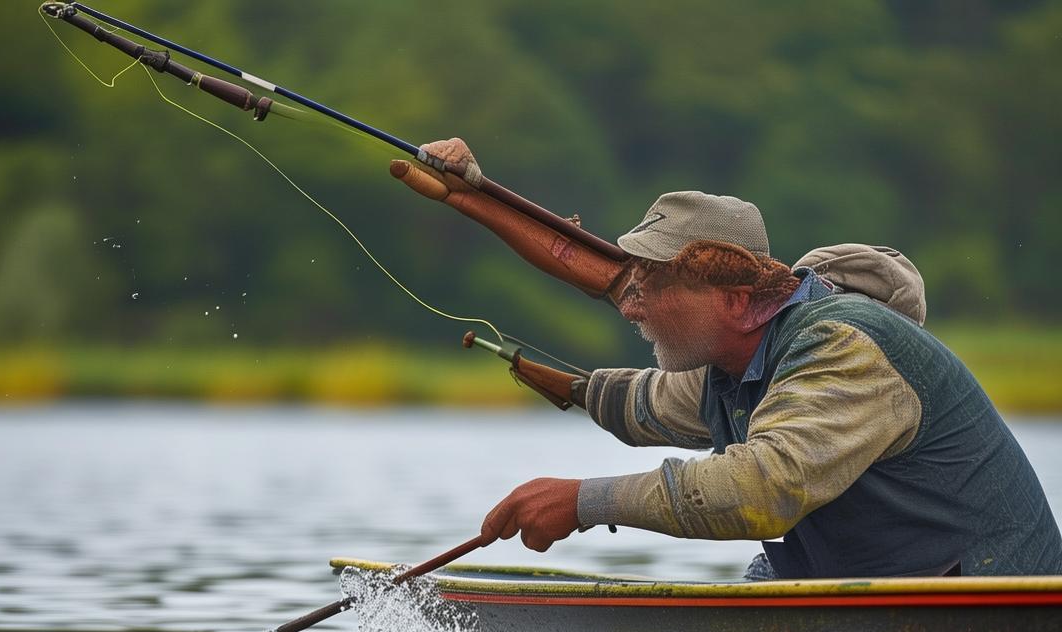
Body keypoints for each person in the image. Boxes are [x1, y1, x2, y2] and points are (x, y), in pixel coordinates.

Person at [397, 140, 1062, 578]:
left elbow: (759, 490)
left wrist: (583, 502)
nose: (633, 305)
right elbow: (634, 399)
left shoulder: (842, 349)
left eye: (655, 288)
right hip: (890, 615)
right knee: (765, 578)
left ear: (738, 300)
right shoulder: (733, 363)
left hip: (989, 607)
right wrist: (473, 196)